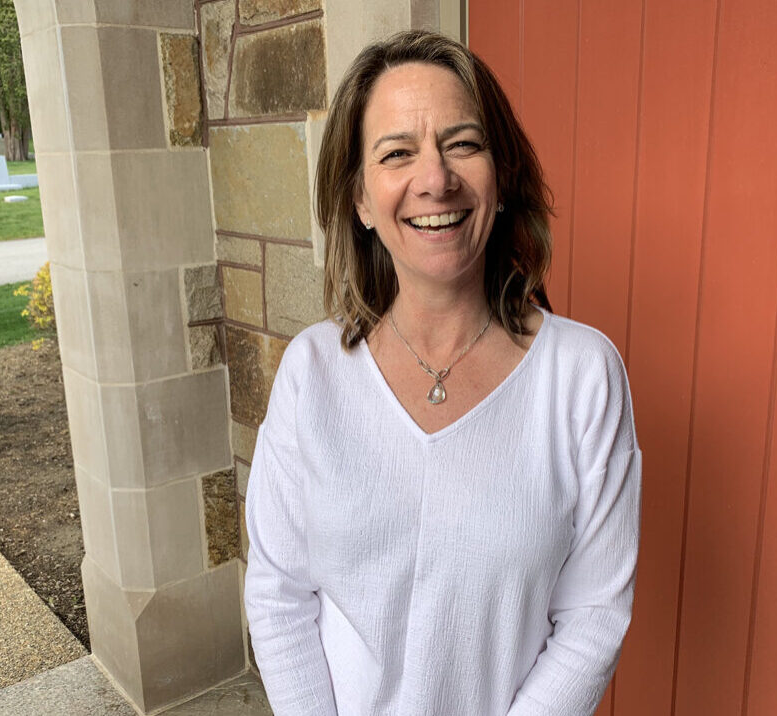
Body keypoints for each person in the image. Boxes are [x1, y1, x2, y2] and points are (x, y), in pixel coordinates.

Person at [244, 29, 641, 716]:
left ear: (502, 175)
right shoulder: (311, 374)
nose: (436, 178)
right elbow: (279, 593)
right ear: (362, 200)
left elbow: (594, 615)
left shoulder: (583, 377)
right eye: (397, 153)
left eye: (462, 143)